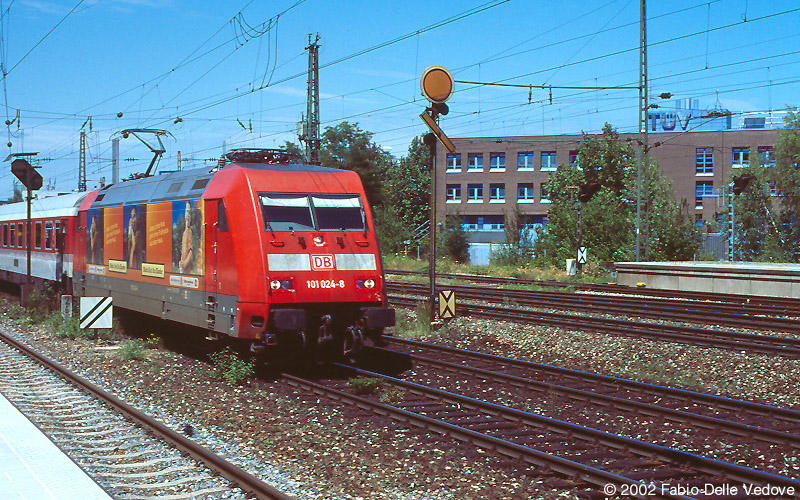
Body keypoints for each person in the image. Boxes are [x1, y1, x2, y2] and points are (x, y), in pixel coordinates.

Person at [178, 202, 194, 274]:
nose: (188, 215)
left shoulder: (189, 231)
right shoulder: (184, 232)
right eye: (187, 212)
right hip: (182, 269)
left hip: (186, 270)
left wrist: (184, 264)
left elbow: (190, 253)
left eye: (189, 212)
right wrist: (181, 262)